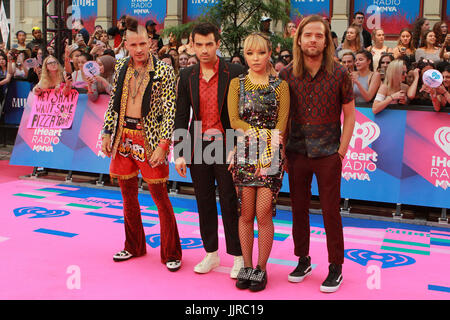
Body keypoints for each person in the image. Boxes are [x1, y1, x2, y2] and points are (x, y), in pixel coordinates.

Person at [278, 15, 355, 293]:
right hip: (297, 152)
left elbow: (350, 115)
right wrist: (282, 152)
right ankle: (303, 259)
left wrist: (341, 152)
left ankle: (336, 266)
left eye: (318, 35)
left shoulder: (339, 73)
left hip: (328, 153)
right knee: (298, 208)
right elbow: (282, 117)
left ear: (326, 40)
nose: (313, 40)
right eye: (307, 35)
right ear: (298, 39)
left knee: (330, 210)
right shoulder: (285, 74)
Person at [101, 16, 182, 272]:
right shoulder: (122, 65)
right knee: (127, 197)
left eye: (142, 44)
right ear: (125, 43)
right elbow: (114, 103)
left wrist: (163, 144)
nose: (138, 49)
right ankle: (134, 245)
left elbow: (170, 110)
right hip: (123, 137)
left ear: (151, 43)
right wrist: (106, 132)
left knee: (160, 198)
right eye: (133, 44)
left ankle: (171, 251)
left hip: (150, 140)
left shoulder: (164, 70)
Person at [174, 22, 244, 278]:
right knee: (203, 200)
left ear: (218, 43)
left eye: (209, 44)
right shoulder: (186, 75)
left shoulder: (235, 71)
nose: (204, 50)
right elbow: (181, 115)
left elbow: (244, 112)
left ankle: (238, 256)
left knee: (228, 200)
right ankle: (211, 254)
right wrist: (180, 151)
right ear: (192, 45)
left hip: (227, 144)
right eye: (199, 45)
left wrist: (238, 146)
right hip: (197, 145)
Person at [227, 33, 289, 292]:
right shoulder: (236, 84)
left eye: (261, 53)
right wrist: (256, 134)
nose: (255, 58)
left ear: (269, 54)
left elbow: (281, 126)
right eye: (250, 53)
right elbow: (234, 121)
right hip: (244, 153)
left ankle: (262, 269)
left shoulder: (280, 86)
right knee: (245, 214)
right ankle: (247, 267)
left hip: (271, 154)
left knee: (263, 213)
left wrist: (267, 151)